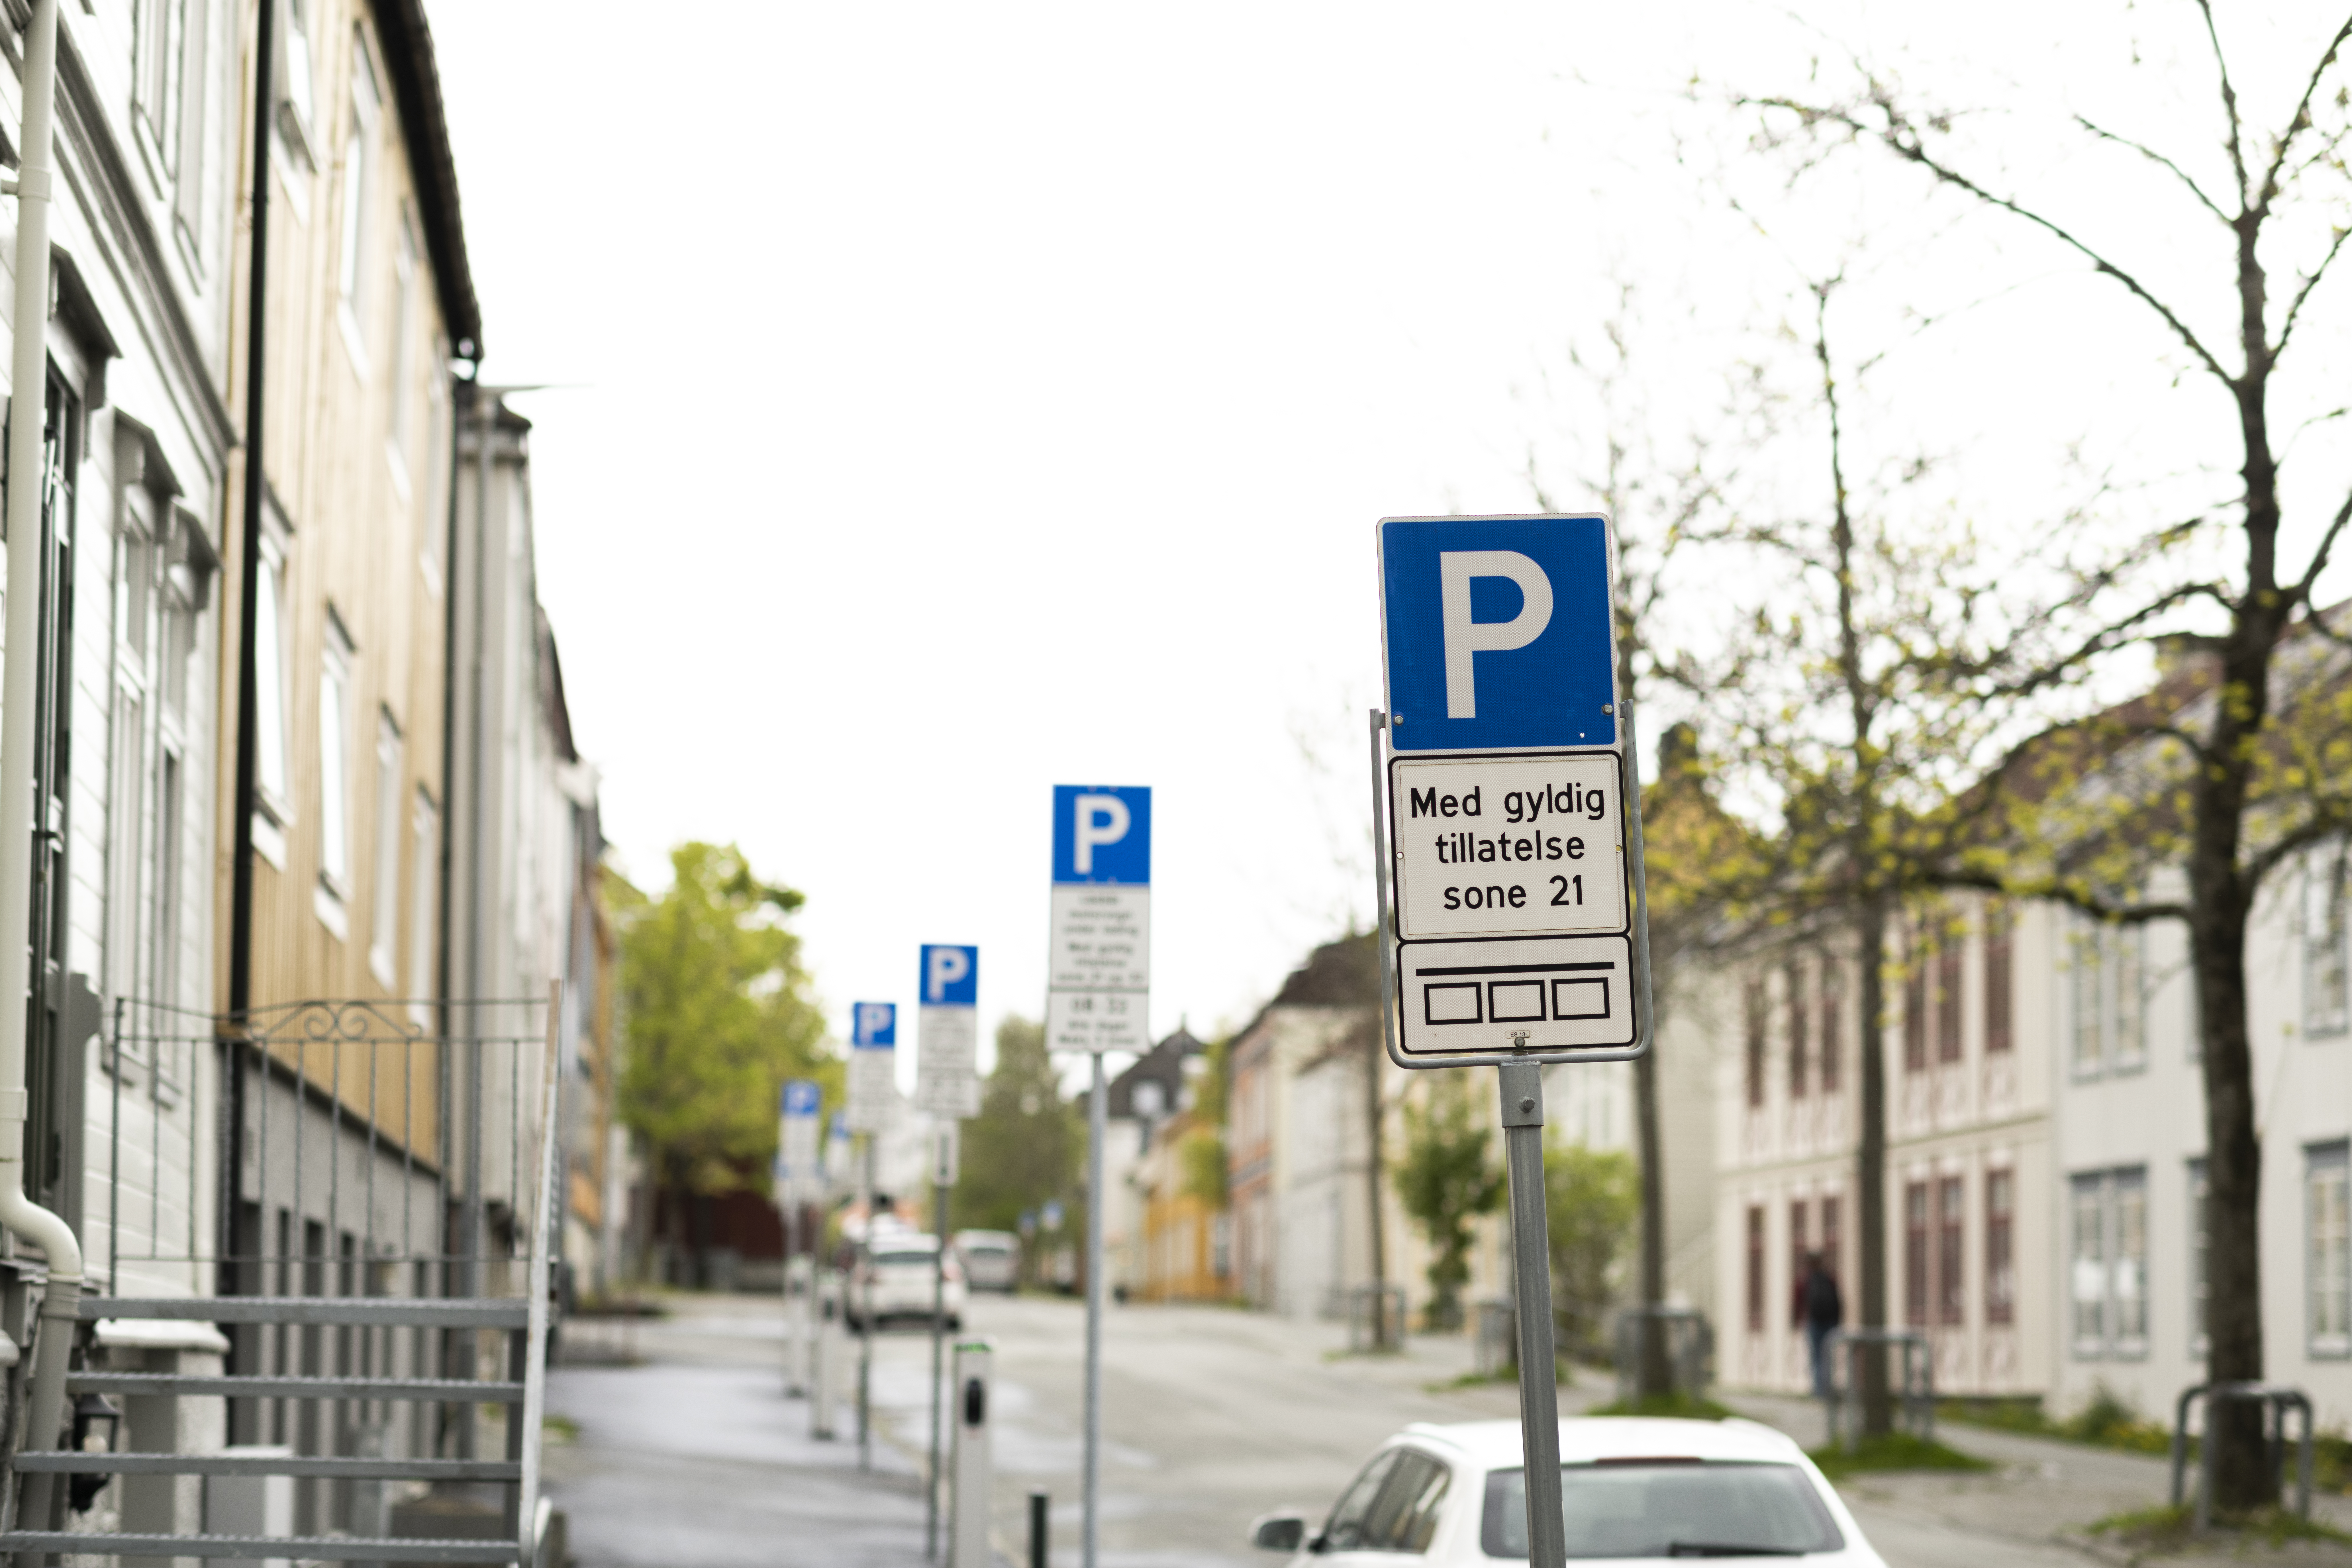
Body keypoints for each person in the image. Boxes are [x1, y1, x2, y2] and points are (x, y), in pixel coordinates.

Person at [1801, 1251, 1843, 1398]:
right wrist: (1838, 1321)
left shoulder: (1806, 1280)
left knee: (1817, 1357)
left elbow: (1799, 1301)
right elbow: (1839, 1301)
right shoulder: (1829, 1278)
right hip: (1830, 1323)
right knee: (1827, 1358)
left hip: (1814, 1323)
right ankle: (1826, 1390)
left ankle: (1819, 1392)